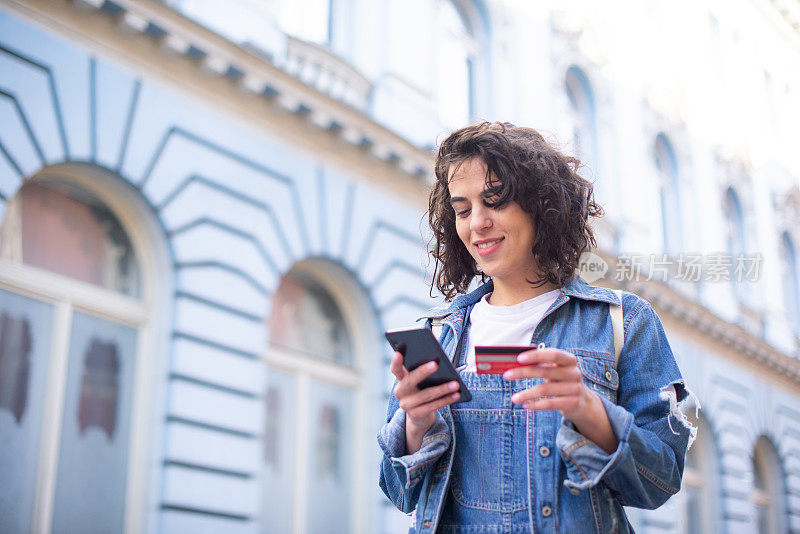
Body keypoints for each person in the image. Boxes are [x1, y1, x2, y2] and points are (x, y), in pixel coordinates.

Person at [378, 122, 696, 533]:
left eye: (495, 201)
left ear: (541, 205)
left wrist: (589, 410)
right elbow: (397, 491)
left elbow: (660, 480)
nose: (477, 223)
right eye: (462, 209)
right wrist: (414, 426)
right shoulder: (438, 335)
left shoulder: (623, 322)